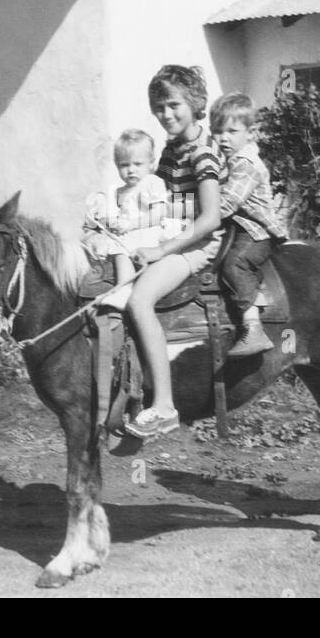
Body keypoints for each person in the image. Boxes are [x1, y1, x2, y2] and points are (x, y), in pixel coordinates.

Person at [124, 65, 224, 438]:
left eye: (173, 105)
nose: (166, 115)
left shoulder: (202, 152)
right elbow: (161, 202)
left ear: (196, 102)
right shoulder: (171, 149)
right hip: (174, 233)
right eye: (158, 108)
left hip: (198, 245)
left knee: (139, 300)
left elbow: (211, 217)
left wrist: (161, 249)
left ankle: (164, 404)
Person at [209, 93, 287, 358]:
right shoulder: (227, 162)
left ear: (251, 133)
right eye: (218, 131)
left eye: (232, 131)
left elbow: (226, 204)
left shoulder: (246, 164)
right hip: (239, 228)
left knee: (235, 263)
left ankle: (253, 327)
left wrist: (195, 216)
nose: (223, 138)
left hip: (257, 232)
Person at [83, 129, 171, 292]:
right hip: (130, 234)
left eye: (138, 164)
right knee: (117, 250)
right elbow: (117, 216)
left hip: (149, 230)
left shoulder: (152, 182)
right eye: (125, 165)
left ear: (151, 163)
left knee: (122, 249)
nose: (131, 170)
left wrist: (131, 225)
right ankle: (124, 287)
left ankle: (131, 288)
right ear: (117, 166)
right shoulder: (120, 192)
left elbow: (159, 214)